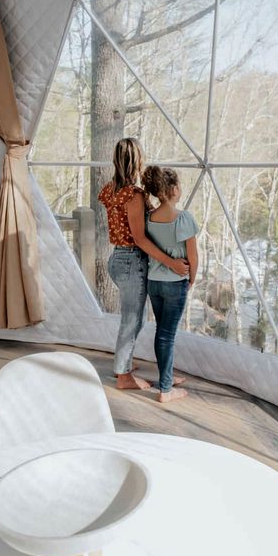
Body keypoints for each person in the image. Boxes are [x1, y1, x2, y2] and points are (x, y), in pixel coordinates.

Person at [98, 139, 189, 390]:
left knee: (132, 318)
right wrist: (172, 262)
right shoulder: (133, 194)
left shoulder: (110, 189)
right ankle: (123, 375)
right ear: (138, 160)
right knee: (132, 320)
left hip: (118, 259)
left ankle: (123, 363)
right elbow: (139, 238)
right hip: (131, 261)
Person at [142, 165, 199, 403]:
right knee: (167, 335)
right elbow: (192, 255)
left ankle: (167, 377)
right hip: (175, 284)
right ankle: (166, 389)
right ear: (174, 189)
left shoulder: (149, 218)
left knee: (162, 332)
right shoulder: (183, 218)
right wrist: (192, 278)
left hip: (154, 283)